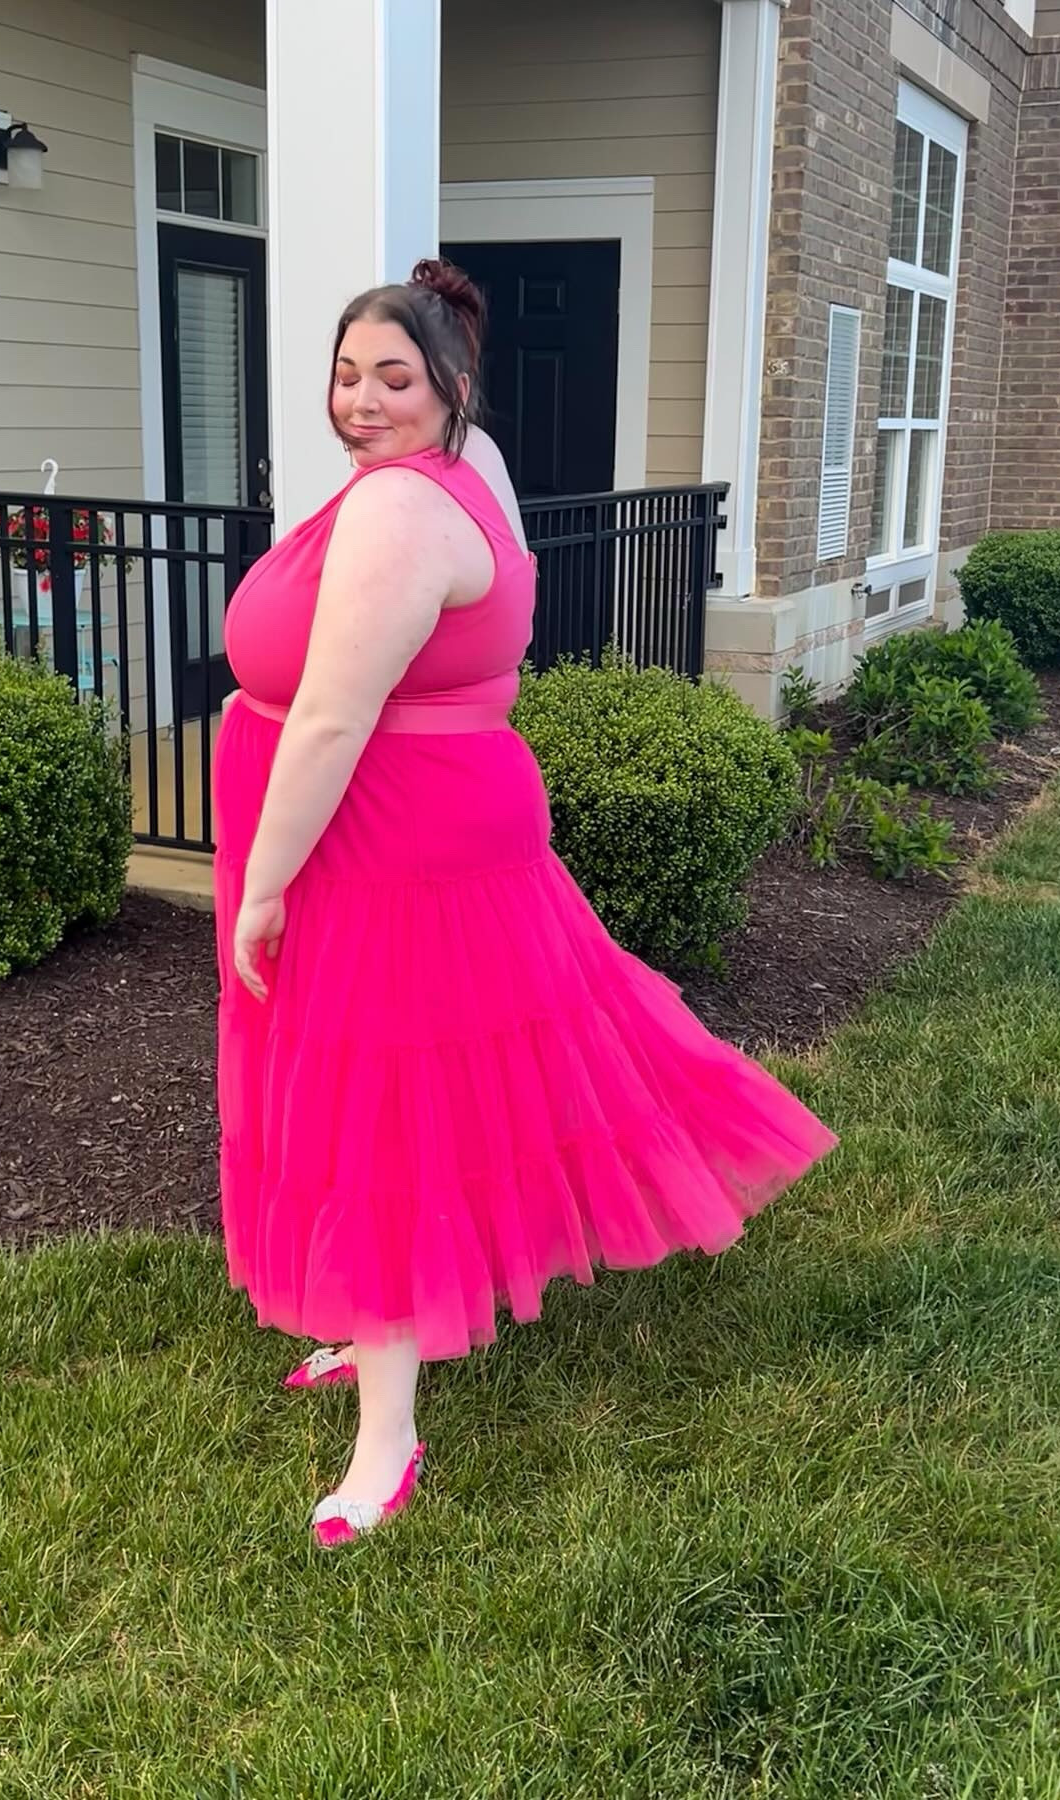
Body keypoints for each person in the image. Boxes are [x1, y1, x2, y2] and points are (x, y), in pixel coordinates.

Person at [213, 259, 837, 1547]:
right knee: (410, 1083)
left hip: (377, 834)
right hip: (431, 816)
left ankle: (387, 1438)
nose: (363, 402)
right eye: (346, 375)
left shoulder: (396, 513)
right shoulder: (472, 472)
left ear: (449, 387)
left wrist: (263, 884)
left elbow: (333, 717)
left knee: (373, 1098)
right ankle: (374, 1318)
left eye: (396, 378)